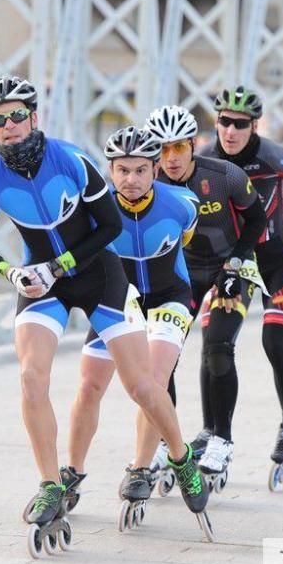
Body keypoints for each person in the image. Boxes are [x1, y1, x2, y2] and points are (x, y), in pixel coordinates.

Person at [0, 77, 210, 549]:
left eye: (17, 115)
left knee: (142, 386)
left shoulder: (71, 160)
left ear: (34, 117)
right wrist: (10, 273)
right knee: (32, 377)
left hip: (98, 275)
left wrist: (62, 264)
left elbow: (111, 224)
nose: (9, 125)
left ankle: (181, 460)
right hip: (42, 282)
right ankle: (51, 483)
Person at [65, 125, 200, 523]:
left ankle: (141, 468)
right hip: (117, 302)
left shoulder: (183, 204)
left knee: (152, 383)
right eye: (122, 170)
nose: (131, 179)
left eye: (141, 170)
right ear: (110, 171)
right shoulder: (94, 209)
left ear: (155, 171)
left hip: (169, 299)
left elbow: (185, 240)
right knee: (89, 385)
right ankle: (71, 472)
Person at [199, 85, 283, 484]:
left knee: (275, 342)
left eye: (240, 124)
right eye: (224, 122)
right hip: (235, 263)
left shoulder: (273, 156)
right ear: (216, 122)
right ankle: (213, 432)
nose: (231, 131)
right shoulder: (205, 158)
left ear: (254, 126)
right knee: (214, 344)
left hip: (277, 260)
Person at [144, 104, 267, 485]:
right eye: (162, 151)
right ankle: (167, 441)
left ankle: (222, 439)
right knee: (161, 358)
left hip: (230, 267)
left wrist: (236, 263)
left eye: (178, 148)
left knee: (217, 345)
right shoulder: (148, 183)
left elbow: (257, 219)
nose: (171, 159)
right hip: (182, 275)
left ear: (193, 145)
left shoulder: (224, 174)